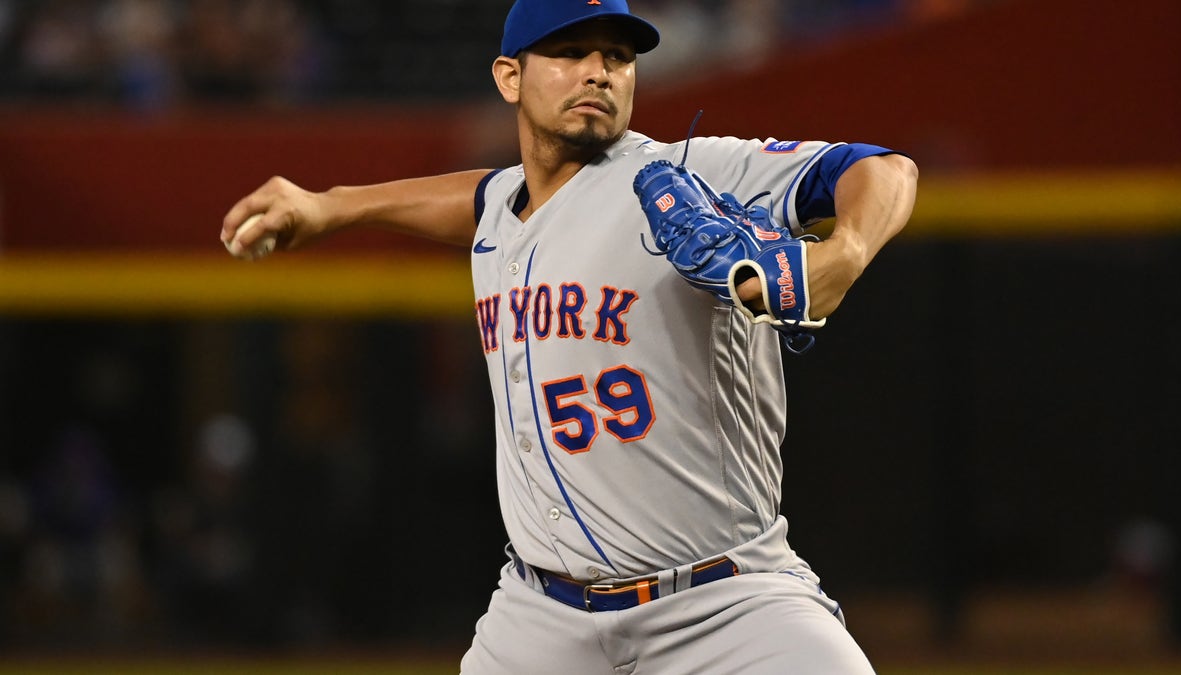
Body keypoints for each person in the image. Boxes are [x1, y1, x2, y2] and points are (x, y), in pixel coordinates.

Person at [221, 0, 918, 672]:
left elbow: (884, 169)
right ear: (509, 77)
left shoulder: (683, 173)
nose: (598, 71)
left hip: (721, 602)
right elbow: (479, 198)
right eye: (568, 51)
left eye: (617, 56)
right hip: (540, 616)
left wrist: (842, 254)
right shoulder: (503, 206)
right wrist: (331, 205)